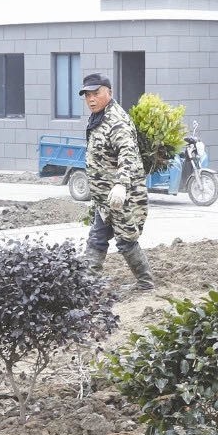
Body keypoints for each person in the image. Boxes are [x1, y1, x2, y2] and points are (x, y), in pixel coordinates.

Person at [79, 73, 154, 290]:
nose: (91, 99)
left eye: (96, 93)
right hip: (105, 197)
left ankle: (145, 283)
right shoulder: (98, 118)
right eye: (87, 95)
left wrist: (121, 185)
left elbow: (128, 153)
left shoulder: (116, 121)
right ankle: (87, 284)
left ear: (109, 93)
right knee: (97, 237)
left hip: (122, 197)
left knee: (126, 240)